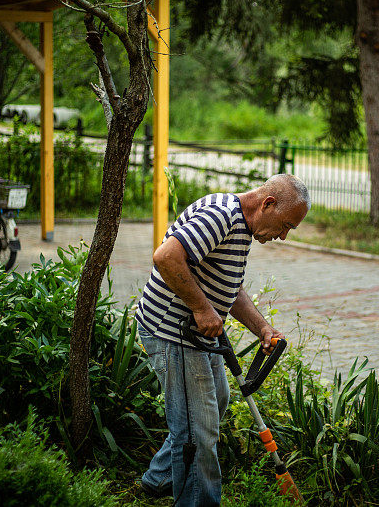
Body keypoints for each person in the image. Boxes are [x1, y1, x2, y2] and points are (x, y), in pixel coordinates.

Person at [136, 174, 311, 506]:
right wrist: (202, 308)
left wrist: (262, 327)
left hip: (196, 336)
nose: (284, 236)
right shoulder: (221, 216)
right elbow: (165, 257)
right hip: (174, 332)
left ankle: (160, 477)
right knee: (198, 433)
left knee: (216, 399)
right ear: (268, 204)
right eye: (285, 225)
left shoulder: (243, 226)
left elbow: (229, 286)